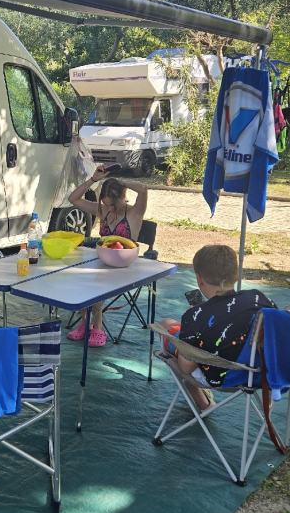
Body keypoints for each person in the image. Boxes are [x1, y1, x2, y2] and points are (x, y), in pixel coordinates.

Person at [162, 245, 275, 410]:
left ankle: (204, 404)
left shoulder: (195, 316)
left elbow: (186, 367)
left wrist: (189, 328)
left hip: (220, 377)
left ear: (199, 279)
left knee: (166, 325)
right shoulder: (259, 298)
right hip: (259, 373)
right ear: (237, 275)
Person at [66, 166, 149, 346]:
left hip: (125, 266)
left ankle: (97, 326)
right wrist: (93, 180)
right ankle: (85, 323)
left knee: (95, 283)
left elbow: (143, 189)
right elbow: (73, 199)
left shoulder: (135, 212)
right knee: (80, 276)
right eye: (105, 204)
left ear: (122, 197)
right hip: (103, 262)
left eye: (113, 204)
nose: (109, 208)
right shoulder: (103, 210)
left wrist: (120, 182)